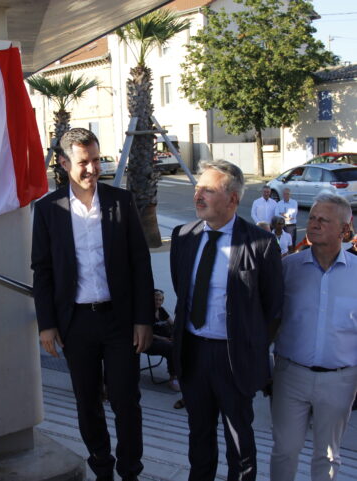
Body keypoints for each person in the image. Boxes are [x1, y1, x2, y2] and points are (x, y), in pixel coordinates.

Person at [32, 128, 154, 481]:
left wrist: (143, 319)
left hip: (120, 321)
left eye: (97, 160)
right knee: (87, 403)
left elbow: (140, 262)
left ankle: (131, 472)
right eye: (84, 162)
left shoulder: (120, 201)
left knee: (126, 402)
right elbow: (42, 269)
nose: (92, 168)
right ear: (64, 162)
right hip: (76, 323)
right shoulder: (48, 209)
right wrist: (47, 324)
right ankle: (102, 469)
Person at [170, 159, 283, 480]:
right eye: (196, 189)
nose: (197, 196)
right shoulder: (183, 236)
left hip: (235, 358)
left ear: (233, 199)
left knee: (239, 441)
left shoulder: (260, 244)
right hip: (193, 353)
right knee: (199, 437)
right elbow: (183, 292)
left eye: (208, 190)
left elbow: (273, 308)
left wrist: (252, 346)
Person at [270, 193, 357, 481]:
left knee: (328, 455)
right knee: (285, 450)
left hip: (340, 380)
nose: (314, 224)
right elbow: (270, 317)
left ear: (345, 230)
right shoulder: (288, 268)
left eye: (323, 220)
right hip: (290, 376)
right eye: (313, 218)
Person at [145, 289, 180, 391]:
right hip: (150, 342)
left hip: (166, 339)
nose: (158, 302)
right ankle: (172, 378)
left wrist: (175, 334)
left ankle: (182, 374)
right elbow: (145, 332)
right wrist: (163, 338)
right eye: (156, 299)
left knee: (182, 344)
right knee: (171, 348)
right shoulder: (146, 313)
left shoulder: (161, 310)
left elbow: (173, 324)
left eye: (160, 300)